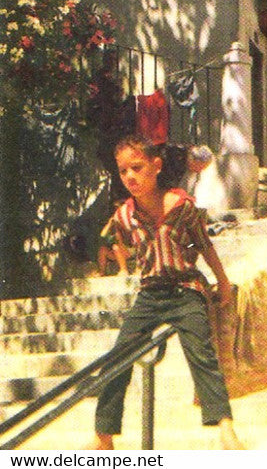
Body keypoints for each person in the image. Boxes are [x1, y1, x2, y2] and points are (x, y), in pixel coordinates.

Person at [85, 135, 243, 450]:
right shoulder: (124, 215)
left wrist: (222, 282)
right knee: (118, 357)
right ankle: (103, 436)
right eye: (123, 171)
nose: (130, 176)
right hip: (150, 294)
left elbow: (204, 244)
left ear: (156, 166)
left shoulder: (181, 205)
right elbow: (119, 242)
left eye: (137, 167)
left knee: (202, 354)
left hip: (186, 289)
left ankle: (226, 428)